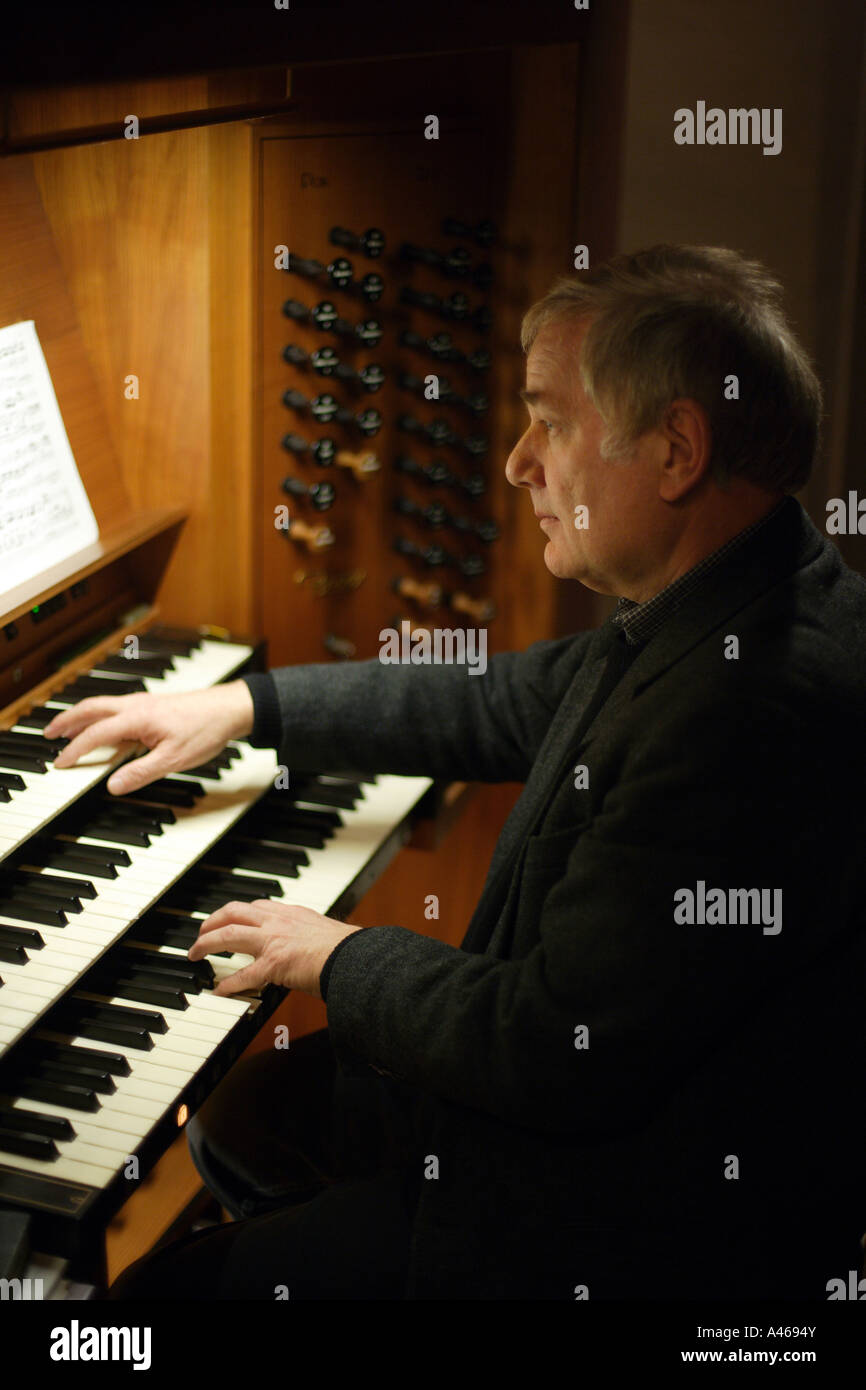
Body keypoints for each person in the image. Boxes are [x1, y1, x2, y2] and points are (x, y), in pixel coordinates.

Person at [47, 244, 866, 1300]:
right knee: (245, 1116)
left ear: (673, 450)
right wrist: (242, 705)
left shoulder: (742, 705)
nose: (519, 462)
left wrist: (336, 953)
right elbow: (490, 698)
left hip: (620, 1219)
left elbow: (549, 1044)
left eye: (549, 421)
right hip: (615, 1122)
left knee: (141, 1317)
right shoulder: (740, 596)